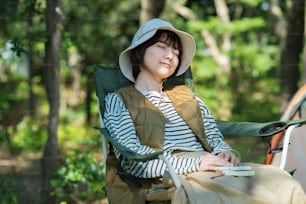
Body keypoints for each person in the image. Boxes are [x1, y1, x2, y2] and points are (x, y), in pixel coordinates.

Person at [103, 18, 306, 204]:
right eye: (161, 46)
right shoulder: (119, 100)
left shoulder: (189, 98)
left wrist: (225, 152)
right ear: (139, 51)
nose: (170, 55)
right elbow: (134, 162)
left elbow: (214, 138)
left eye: (176, 52)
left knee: (282, 182)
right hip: (172, 178)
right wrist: (197, 163)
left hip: (213, 169)